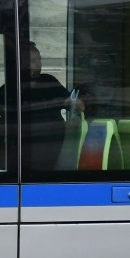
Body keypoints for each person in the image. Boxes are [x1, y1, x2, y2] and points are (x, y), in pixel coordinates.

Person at [22, 42, 81, 170]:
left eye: (39, 59)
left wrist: (76, 102)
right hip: (28, 150)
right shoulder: (9, 89)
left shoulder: (48, 81)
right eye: (33, 60)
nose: (38, 64)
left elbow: (68, 99)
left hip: (57, 148)